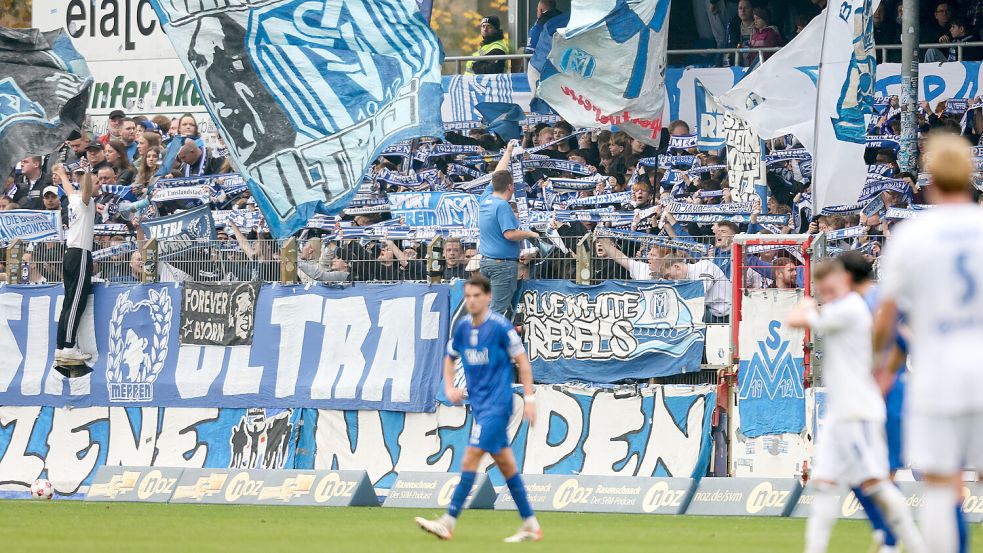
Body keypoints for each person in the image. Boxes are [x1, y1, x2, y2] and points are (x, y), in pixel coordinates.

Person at [874, 133, 983, 553]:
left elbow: (888, 314)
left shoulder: (914, 237)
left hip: (940, 371)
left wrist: (877, 364)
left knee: (941, 482)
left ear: (930, 179)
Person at [787, 259, 926, 553]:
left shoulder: (850, 307)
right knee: (825, 485)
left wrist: (809, 306)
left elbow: (797, 320)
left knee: (876, 483)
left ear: (846, 280)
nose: (827, 295)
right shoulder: (851, 305)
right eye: (822, 290)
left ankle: (908, 544)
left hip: (860, 410)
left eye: (830, 289)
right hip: (842, 413)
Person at [415, 274, 541, 543]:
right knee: (507, 466)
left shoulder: (500, 327)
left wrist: (529, 400)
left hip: (498, 406)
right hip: (480, 406)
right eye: (468, 296)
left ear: (488, 298)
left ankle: (448, 522)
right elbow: (450, 358)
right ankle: (530, 524)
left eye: (476, 296)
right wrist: (449, 387)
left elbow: (524, 363)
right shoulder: (462, 328)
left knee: (470, 458)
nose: (471, 301)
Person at [478, 142, 539, 315]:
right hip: (502, 266)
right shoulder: (502, 205)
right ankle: (486, 341)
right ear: (511, 187)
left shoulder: (486, 198)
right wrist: (530, 233)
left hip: (486, 263)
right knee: (497, 311)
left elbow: (497, 174)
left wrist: (509, 152)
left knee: (487, 310)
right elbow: (510, 234)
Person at [52, 161, 96, 365]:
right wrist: (87, 171)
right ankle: (69, 347)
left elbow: (70, 187)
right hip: (80, 254)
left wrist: (61, 173)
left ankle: (62, 346)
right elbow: (87, 190)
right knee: (76, 302)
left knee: (69, 302)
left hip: (71, 253)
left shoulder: (74, 199)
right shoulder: (83, 200)